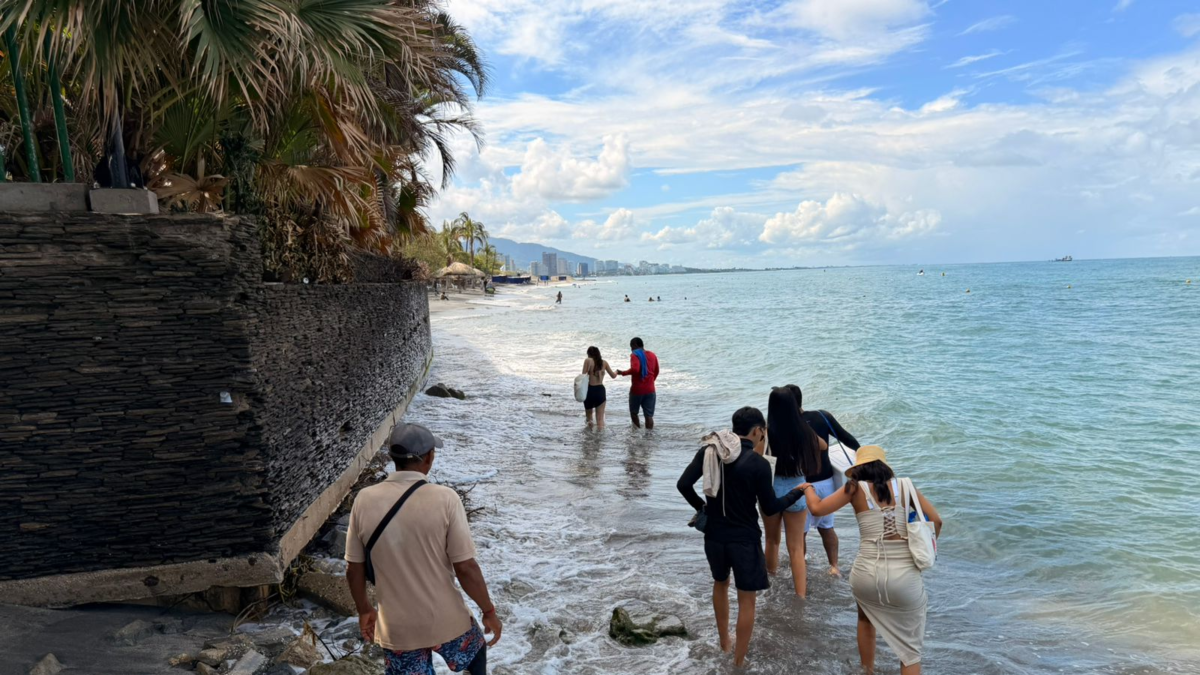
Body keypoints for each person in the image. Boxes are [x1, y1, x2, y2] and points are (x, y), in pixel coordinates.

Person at [345, 423, 502, 675]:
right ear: (429, 457)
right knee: (475, 652)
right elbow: (466, 567)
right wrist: (488, 611)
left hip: (397, 628)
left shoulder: (363, 499)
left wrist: (364, 609)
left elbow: (354, 568)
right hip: (446, 620)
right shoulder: (446, 498)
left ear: (392, 458)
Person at [677, 407, 807, 666]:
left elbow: (683, 485)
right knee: (747, 600)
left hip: (714, 536)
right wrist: (797, 492)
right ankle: (738, 661)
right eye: (763, 432)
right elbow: (770, 507)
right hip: (744, 539)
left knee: (720, 583)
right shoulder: (758, 464)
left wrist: (702, 508)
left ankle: (725, 641)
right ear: (758, 431)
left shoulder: (709, 451)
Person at [799, 447, 943, 675]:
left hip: (866, 573)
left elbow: (816, 508)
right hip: (904, 577)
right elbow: (936, 521)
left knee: (865, 620)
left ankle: (867, 671)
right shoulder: (906, 487)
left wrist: (808, 488)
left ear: (858, 468)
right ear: (884, 466)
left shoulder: (854, 488)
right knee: (910, 653)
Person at [786, 384, 860, 577]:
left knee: (799, 533)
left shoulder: (786, 425)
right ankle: (834, 566)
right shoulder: (822, 416)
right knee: (827, 528)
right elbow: (847, 438)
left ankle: (801, 567)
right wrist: (862, 463)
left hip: (802, 485)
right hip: (826, 483)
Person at [762, 387, 827, 597]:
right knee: (796, 548)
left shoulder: (766, 431)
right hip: (798, 489)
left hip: (771, 490)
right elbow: (824, 446)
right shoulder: (804, 431)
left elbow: (756, 458)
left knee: (772, 541)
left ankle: (769, 583)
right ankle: (800, 595)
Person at [617, 337, 659, 429]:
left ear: (635, 345)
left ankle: (636, 435)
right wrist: (650, 382)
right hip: (650, 390)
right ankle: (648, 437)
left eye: (631, 347)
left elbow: (636, 369)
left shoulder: (635, 355)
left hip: (637, 390)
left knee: (634, 413)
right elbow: (656, 371)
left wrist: (622, 373)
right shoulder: (652, 355)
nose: (631, 350)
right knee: (649, 416)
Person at [582, 346, 618, 429]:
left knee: (589, 417)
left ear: (589, 354)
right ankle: (600, 439)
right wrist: (617, 371)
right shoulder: (604, 363)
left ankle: (589, 437)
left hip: (589, 391)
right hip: (600, 391)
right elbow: (613, 376)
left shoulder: (588, 360)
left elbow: (583, 376)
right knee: (600, 419)